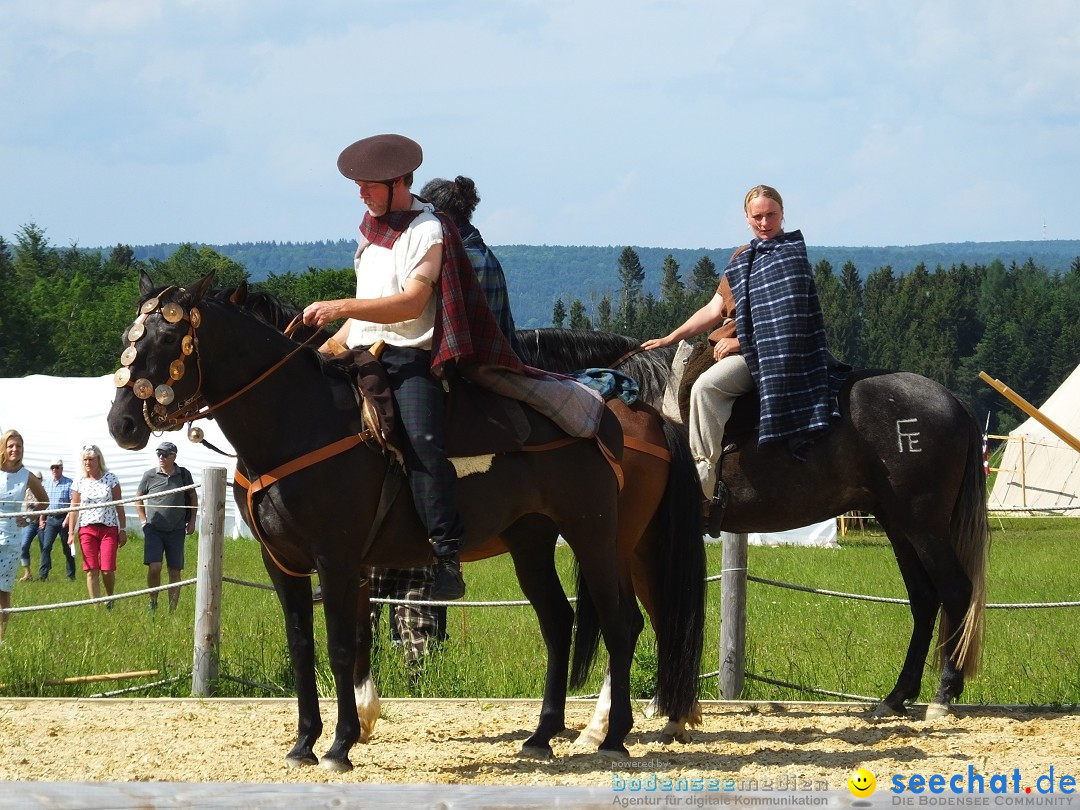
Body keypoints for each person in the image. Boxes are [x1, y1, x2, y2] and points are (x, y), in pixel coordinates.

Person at [301, 134, 524, 602]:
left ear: (399, 182)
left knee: (422, 443)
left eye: (368, 185)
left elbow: (412, 302)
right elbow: (362, 318)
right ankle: (343, 555)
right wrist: (322, 352)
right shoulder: (368, 231)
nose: (360, 193)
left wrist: (341, 306)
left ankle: (446, 555)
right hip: (358, 353)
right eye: (358, 185)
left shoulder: (429, 230)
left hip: (409, 357)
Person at [643, 184, 840, 529]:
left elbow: (789, 321)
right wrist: (672, 336)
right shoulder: (742, 257)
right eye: (757, 216)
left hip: (771, 353)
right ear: (747, 218)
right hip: (739, 345)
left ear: (783, 214)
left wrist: (742, 344)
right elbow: (715, 309)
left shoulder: (790, 257)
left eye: (771, 215)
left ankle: (701, 484)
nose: (764, 222)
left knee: (706, 388)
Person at [419, 175, 524, 359]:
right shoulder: (482, 254)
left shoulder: (457, 262)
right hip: (499, 361)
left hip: (471, 369)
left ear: (440, 216)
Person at [135, 441, 197, 612]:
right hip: (153, 529)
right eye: (158, 454)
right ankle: (153, 601)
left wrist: (192, 520)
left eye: (164, 454)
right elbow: (138, 497)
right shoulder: (149, 475)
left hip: (176, 530)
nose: (161, 457)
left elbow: (193, 496)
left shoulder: (184, 475)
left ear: (173, 456)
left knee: (175, 571)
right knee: (155, 567)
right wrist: (143, 521)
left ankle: (172, 610)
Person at [1, 429, 49, 642]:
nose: (14, 449)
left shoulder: (26, 475)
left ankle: (1, 638)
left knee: (3, 590)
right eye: (10, 445)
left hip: (11, 540)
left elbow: (44, 501)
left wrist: (29, 518)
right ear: (4, 447)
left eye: (18, 446)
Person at [67, 444, 127, 607]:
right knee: (91, 569)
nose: (88, 462)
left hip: (108, 528)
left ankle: (109, 597)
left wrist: (123, 529)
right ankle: (96, 607)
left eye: (91, 459)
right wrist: (71, 532)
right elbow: (74, 508)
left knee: (107, 569)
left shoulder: (111, 478)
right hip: (87, 529)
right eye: (85, 459)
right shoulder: (79, 481)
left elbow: (119, 505)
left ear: (98, 460)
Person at [39, 459, 76, 581]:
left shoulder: (69, 483)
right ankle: (43, 575)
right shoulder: (47, 483)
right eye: (52, 467)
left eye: (56, 467)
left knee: (67, 548)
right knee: (46, 546)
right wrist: (41, 518)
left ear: (61, 468)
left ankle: (71, 575)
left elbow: (72, 503)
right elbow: (44, 503)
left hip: (64, 518)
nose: (54, 470)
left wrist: (67, 518)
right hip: (50, 519)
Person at [17, 471, 45, 582]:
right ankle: (27, 573)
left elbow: (45, 505)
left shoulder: (43, 490)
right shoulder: (27, 491)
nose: (36, 481)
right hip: (29, 522)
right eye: (35, 479)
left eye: (39, 479)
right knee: (24, 546)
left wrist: (42, 519)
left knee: (45, 548)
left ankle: (44, 574)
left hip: (42, 523)